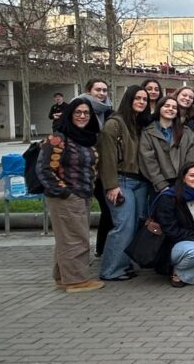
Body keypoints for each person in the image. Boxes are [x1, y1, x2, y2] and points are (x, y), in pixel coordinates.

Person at [38, 97, 103, 293]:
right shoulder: (58, 138)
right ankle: (76, 281)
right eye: (78, 112)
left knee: (66, 238)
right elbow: (44, 169)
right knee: (77, 238)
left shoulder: (85, 137)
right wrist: (63, 191)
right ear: (69, 114)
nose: (82, 116)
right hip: (67, 196)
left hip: (82, 194)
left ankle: (62, 276)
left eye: (86, 113)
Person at [97, 86, 152, 281]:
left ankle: (124, 264)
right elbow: (107, 157)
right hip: (121, 181)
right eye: (137, 98)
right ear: (128, 99)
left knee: (136, 225)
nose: (141, 102)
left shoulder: (141, 124)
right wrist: (111, 185)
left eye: (144, 100)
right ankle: (110, 270)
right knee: (123, 226)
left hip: (140, 182)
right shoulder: (114, 124)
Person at [139, 96, 194, 193]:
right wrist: (161, 185)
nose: (170, 109)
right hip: (157, 186)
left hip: (184, 185)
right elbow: (148, 161)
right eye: (167, 106)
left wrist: (186, 182)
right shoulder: (148, 132)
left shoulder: (187, 132)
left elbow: (193, 158)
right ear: (159, 108)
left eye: (174, 107)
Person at [79, 78, 113, 256]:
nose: (101, 93)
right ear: (88, 90)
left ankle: (101, 249)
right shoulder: (81, 109)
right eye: (98, 90)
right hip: (85, 171)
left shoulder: (108, 111)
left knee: (108, 211)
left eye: (104, 90)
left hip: (102, 170)